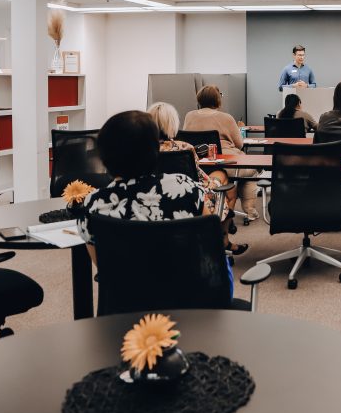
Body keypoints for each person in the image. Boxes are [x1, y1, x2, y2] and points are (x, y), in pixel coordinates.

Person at [75, 111, 233, 298]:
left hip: (129, 313)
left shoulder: (92, 205)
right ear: (154, 151)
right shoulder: (185, 187)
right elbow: (211, 249)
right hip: (192, 304)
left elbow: (107, 272)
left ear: (103, 156)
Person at [148, 101, 247, 255]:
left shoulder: (144, 150)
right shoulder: (184, 148)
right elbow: (200, 180)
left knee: (221, 179)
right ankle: (223, 239)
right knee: (228, 187)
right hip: (190, 201)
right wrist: (215, 182)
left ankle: (223, 238)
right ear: (173, 123)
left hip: (155, 202)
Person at [182, 85, 260, 220]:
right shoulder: (226, 117)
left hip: (198, 164)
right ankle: (250, 211)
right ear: (218, 100)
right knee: (251, 171)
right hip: (227, 163)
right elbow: (240, 144)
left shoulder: (189, 115)